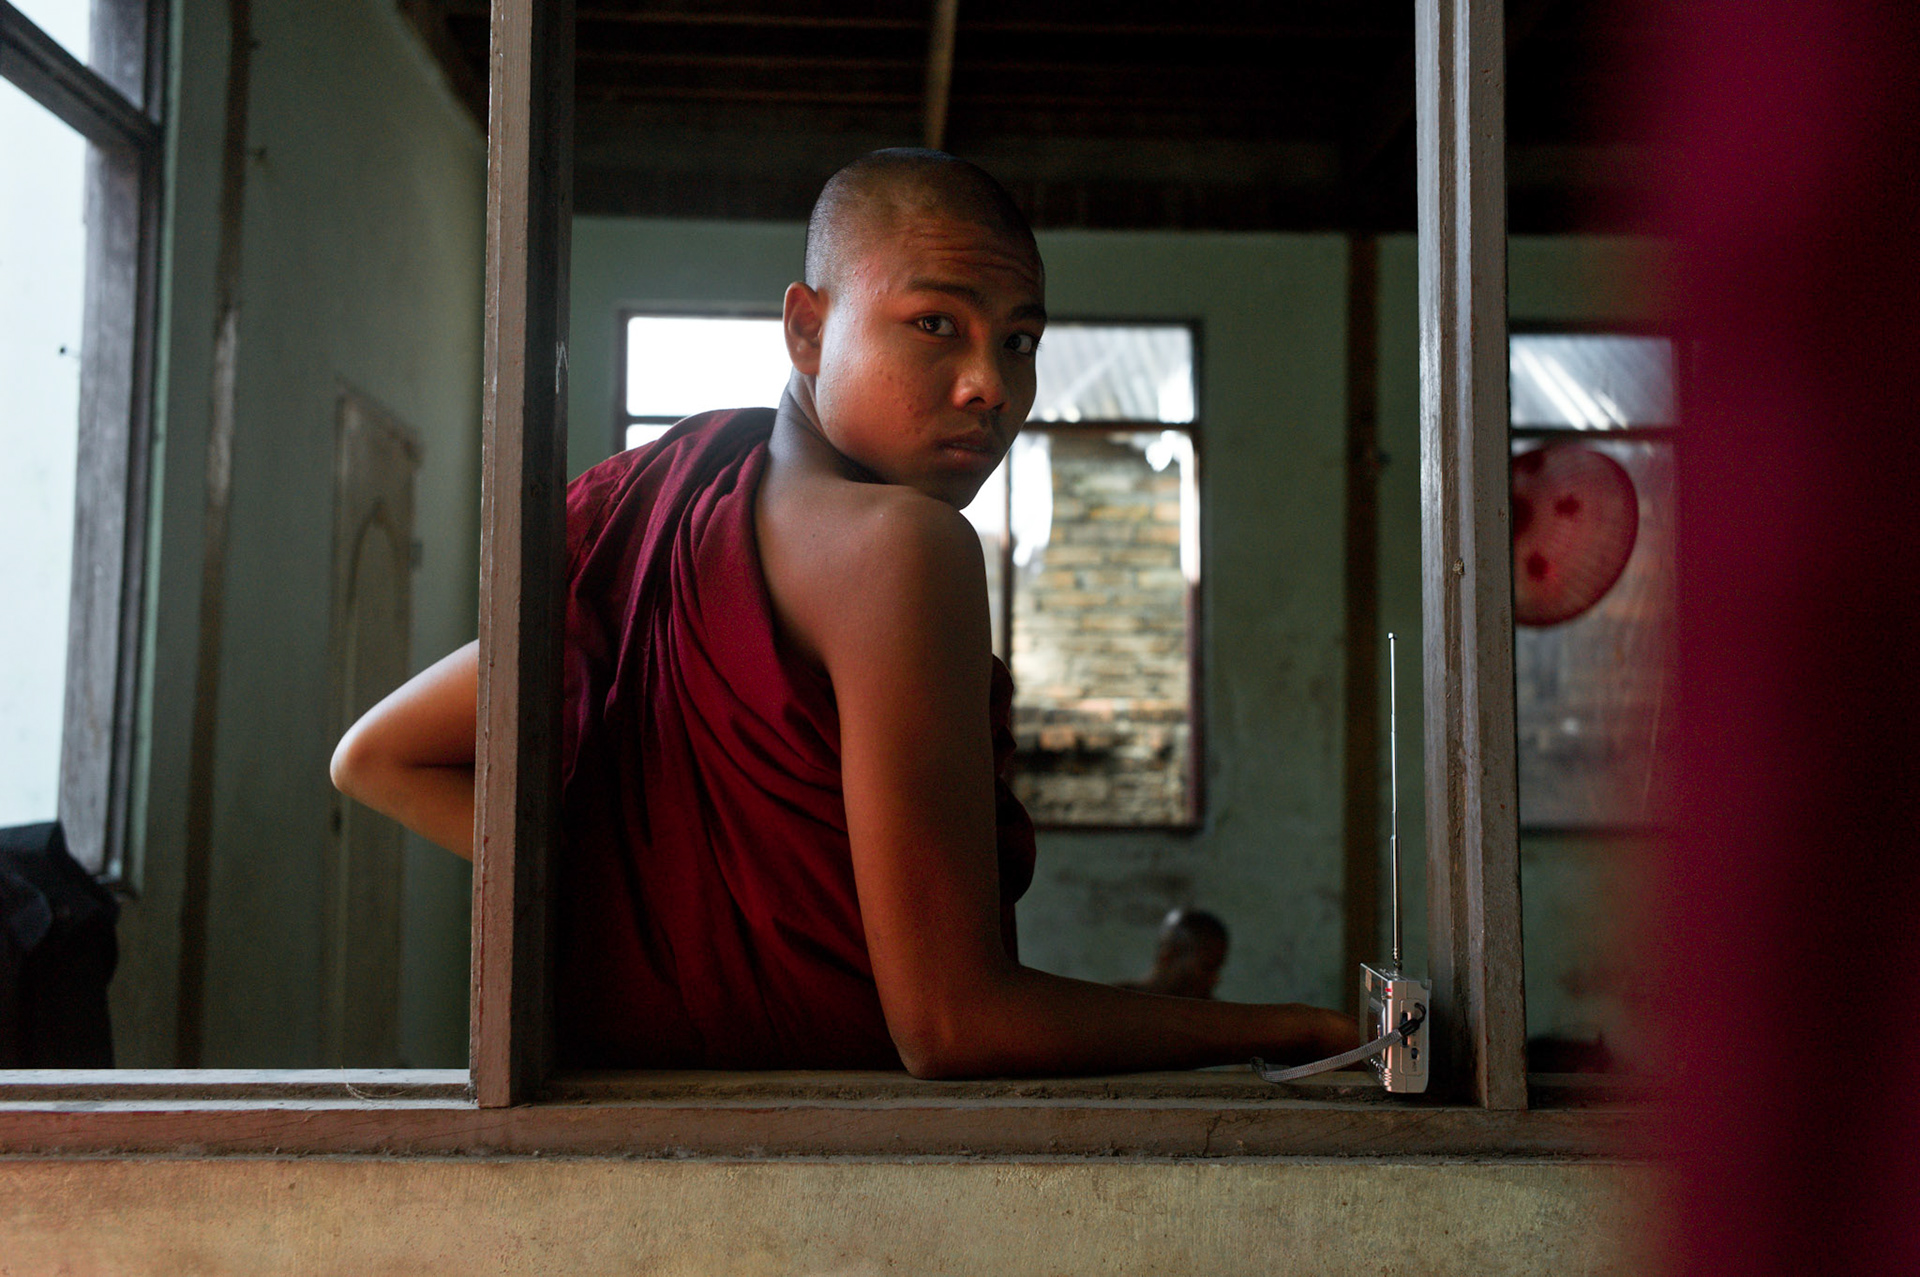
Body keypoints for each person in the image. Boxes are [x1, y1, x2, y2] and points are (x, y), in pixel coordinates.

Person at [330, 148, 1356, 1077]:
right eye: (936, 324)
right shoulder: (901, 549)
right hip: (838, 1161)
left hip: (627, 1127)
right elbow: (953, 1023)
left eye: (1021, 339)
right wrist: (1299, 1030)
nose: (989, 384)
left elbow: (376, 756)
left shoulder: (683, 498)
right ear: (807, 328)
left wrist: (626, 897)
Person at [1116, 908, 1230, 1000]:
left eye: (1217, 968)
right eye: (1207, 967)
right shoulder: (1115, 1003)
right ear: (1168, 956)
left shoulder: (1214, 1017)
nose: (1215, 979)